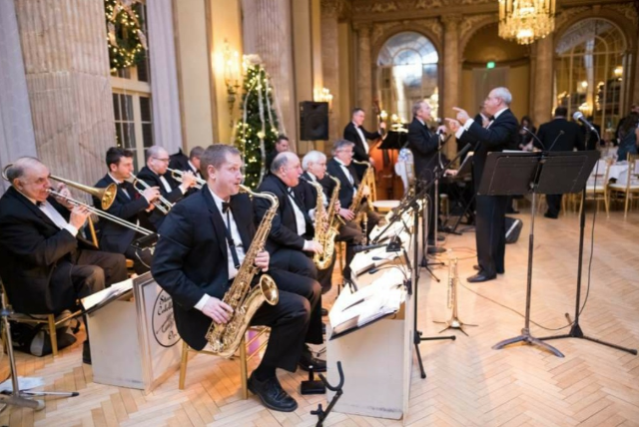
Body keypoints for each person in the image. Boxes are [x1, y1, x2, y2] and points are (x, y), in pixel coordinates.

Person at [151, 144, 317, 412]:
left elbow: (248, 243)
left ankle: (297, 349)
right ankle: (263, 378)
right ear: (212, 172)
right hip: (215, 298)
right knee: (298, 308)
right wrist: (203, 301)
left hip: (247, 278)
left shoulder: (240, 201)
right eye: (233, 169)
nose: (240, 176)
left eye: (240, 169)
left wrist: (261, 256)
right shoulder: (186, 211)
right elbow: (163, 269)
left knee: (311, 287)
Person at [0, 157, 128, 364]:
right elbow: (41, 255)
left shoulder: (42, 195)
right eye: (40, 180)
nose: (48, 185)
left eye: (48, 178)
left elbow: (57, 228)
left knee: (116, 261)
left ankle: (115, 326)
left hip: (64, 257)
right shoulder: (9, 213)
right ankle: (96, 348)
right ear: (19, 184)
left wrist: (68, 208)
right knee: (92, 274)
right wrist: (73, 224)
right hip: (41, 276)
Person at [254, 152, 326, 363]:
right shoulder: (269, 190)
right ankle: (300, 341)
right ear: (283, 170)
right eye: (296, 167)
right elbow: (275, 230)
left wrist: (314, 218)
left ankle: (307, 333)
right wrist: (305, 244)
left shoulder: (286, 186)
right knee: (306, 268)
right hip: (275, 251)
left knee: (309, 270)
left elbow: (295, 216)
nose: (300, 171)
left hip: (290, 244)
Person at [446, 87, 519, 283]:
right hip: (490, 178)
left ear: (498, 101)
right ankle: (495, 264)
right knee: (493, 223)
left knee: (487, 224)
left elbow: (491, 138)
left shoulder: (507, 119)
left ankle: (488, 269)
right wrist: (459, 130)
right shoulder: (498, 119)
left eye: (488, 98)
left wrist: (468, 121)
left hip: (494, 179)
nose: (485, 101)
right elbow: (481, 142)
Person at [301, 150, 364, 287]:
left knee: (355, 229)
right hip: (317, 228)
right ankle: (342, 279)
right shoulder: (305, 182)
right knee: (356, 236)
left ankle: (349, 274)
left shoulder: (317, 180)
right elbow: (305, 209)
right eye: (322, 164)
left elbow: (323, 201)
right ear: (310, 165)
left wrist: (334, 206)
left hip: (328, 223)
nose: (325, 168)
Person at [93, 147, 160, 273]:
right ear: (113, 167)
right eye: (127, 165)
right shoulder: (101, 188)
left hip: (137, 234)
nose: (132, 168)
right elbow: (119, 213)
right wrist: (144, 200)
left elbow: (134, 211)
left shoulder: (129, 185)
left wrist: (147, 208)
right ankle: (148, 284)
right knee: (147, 255)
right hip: (118, 239)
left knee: (167, 245)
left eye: (131, 164)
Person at [407, 100, 447, 250]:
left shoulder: (423, 126)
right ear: (419, 112)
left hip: (431, 168)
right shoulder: (414, 127)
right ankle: (428, 238)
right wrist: (438, 135)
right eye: (427, 108)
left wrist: (439, 137)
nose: (430, 110)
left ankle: (432, 233)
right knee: (428, 204)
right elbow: (424, 148)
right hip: (424, 170)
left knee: (432, 204)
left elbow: (432, 146)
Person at [535, 107, 586, 219]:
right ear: (566, 114)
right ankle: (554, 209)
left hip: (549, 160)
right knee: (559, 185)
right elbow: (581, 146)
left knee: (550, 185)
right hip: (566, 161)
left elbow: (537, 143)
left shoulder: (545, 127)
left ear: (554, 114)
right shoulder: (574, 127)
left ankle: (553, 210)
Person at [327, 139, 381, 237]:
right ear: (337, 152)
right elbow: (329, 193)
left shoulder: (350, 166)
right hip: (345, 210)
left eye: (351, 151)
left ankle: (370, 241)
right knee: (357, 231)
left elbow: (354, 184)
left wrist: (362, 187)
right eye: (348, 151)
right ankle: (361, 243)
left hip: (359, 205)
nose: (351, 154)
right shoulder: (329, 168)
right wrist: (339, 210)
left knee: (378, 220)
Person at [136, 145, 197, 231]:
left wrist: (187, 186)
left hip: (174, 217)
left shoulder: (166, 173)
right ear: (151, 161)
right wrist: (184, 185)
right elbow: (163, 201)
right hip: (160, 223)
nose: (167, 163)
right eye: (163, 160)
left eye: (168, 160)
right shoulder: (144, 176)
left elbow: (177, 194)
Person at [343, 108, 386, 179]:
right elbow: (355, 148)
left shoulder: (360, 127)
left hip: (364, 157)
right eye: (361, 116)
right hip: (358, 160)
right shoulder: (349, 129)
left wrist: (380, 131)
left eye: (363, 117)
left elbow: (370, 136)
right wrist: (368, 158)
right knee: (362, 180)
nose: (363, 119)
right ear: (354, 116)